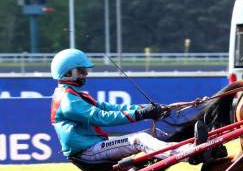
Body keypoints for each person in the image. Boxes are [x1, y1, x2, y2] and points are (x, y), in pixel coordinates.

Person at [50, 48, 195, 164]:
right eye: (81, 71)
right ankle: (188, 153)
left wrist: (146, 109)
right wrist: (141, 114)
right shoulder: (67, 99)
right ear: (68, 72)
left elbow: (111, 108)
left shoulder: (74, 94)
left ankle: (188, 148)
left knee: (153, 135)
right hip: (88, 153)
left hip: (94, 146)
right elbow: (102, 117)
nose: (86, 74)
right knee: (140, 139)